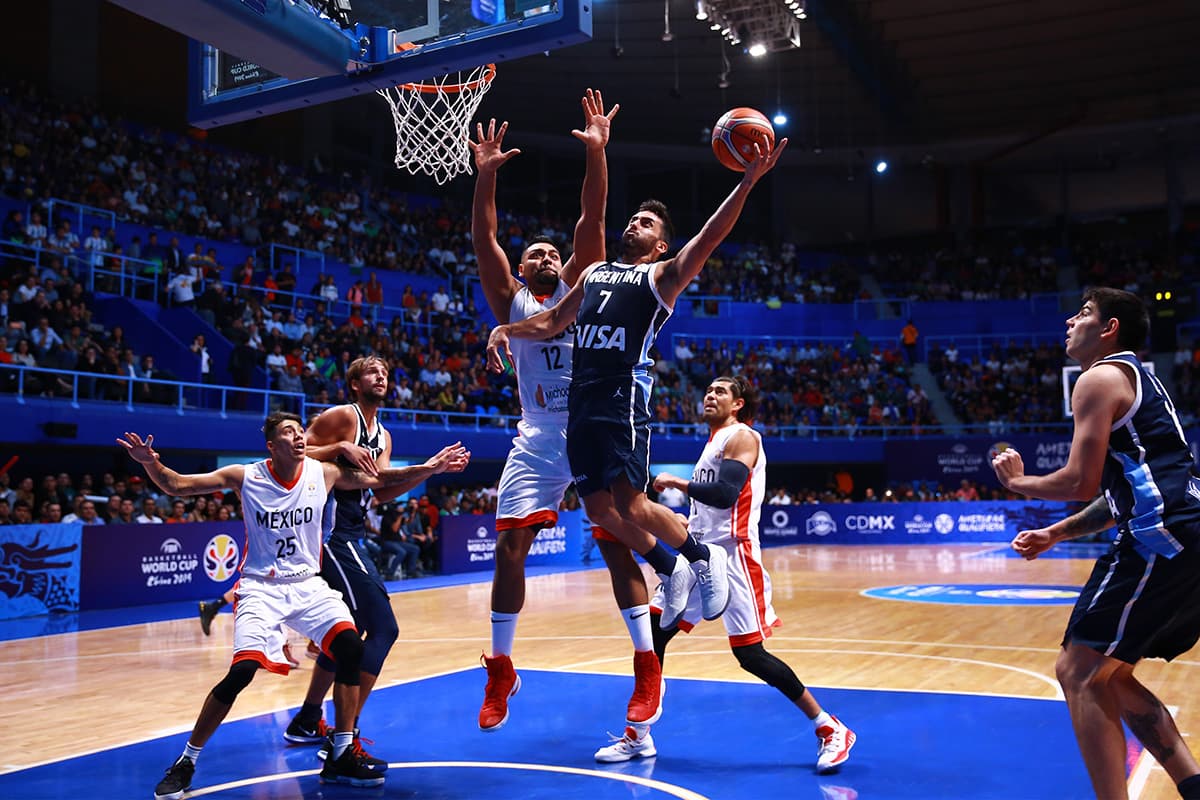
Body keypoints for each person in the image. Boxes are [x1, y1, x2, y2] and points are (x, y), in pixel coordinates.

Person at [487, 132, 788, 637]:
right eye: (633, 219)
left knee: (629, 504)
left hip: (621, 399)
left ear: (661, 244)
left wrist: (748, 183)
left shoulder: (661, 277)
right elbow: (554, 320)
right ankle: (673, 570)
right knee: (601, 509)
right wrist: (506, 329)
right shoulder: (596, 272)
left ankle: (699, 556)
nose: (634, 224)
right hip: (581, 404)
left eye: (646, 223)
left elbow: (710, 237)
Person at [119, 415, 469, 798]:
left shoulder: (324, 473)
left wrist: (431, 467)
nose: (298, 435)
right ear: (271, 446)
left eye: (300, 430)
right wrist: (151, 463)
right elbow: (178, 486)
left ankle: (340, 751)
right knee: (243, 672)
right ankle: (186, 761)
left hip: (308, 584)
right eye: (288, 431)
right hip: (261, 587)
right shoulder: (245, 475)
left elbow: (381, 481)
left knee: (352, 647)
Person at [470, 90, 650, 732]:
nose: (546, 257)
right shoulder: (510, 302)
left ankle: (644, 664)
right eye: (535, 255)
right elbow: (484, 235)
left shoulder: (585, 284)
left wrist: (598, 154)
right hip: (539, 435)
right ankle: (500, 667)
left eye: (553, 254)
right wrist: (486, 176)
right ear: (520, 271)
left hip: (593, 423)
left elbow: (592, 219)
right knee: (509, 550)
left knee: (617, 548)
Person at [991, 288, 1200, 800]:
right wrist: (1055, 533)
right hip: (1183, 533)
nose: (1069, 320)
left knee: (1078, 671)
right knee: (1111, 674)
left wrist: (1019, 483)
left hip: (1162, 538)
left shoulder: (1098, 378)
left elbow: (1079, 482)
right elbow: (1114, 496)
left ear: (1109, 330)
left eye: (1083, 314)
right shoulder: (1139, 379)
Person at [592, 375, 856, 772]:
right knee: (653, 633)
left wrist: (679, 483)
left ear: (738, 404)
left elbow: (725, 494)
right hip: (699, 555)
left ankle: (830, 727)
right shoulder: (713, 444)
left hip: (732, 558)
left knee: (750, 655)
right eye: (708, 391)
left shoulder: (743, 438)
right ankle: (638, 736)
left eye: (720, 392)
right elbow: (710, 505)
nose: (710, 396)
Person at [281, 356, 409, 766]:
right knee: (384, 629)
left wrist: (429, 471)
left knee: (344, 633)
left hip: (352, 533)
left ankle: (306, 718)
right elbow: (294, 455)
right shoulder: (342, 417)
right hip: (331, 537)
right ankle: (344, 737)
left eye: (385, 372)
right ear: (354, 384)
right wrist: (337, 447)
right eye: (373, 372)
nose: (382, 376)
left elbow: (382, 491)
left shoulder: (384, 436)